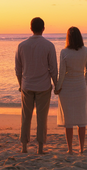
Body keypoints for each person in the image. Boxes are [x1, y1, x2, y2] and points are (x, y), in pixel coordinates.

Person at [15, 17, 58, 154]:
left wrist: (20, 84)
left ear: (31, 28)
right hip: (44, 86)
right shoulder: (49, 45)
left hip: (27, 85)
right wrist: (56, 84)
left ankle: (24, 147)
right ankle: (40, 148)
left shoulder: (22, 45)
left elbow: (18, 68)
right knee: (42, 117)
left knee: (25, 117)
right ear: (43, 28)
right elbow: (53, 68)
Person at [54, 26, 87, 154]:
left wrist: (57, 88)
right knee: (81, 120)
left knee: (68, 121)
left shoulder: (64, 52)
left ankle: (70, 149)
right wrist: (83, 83)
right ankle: (81, 149)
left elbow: (62, 73)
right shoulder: (85, 51)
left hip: (67, 88)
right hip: (80, 87)